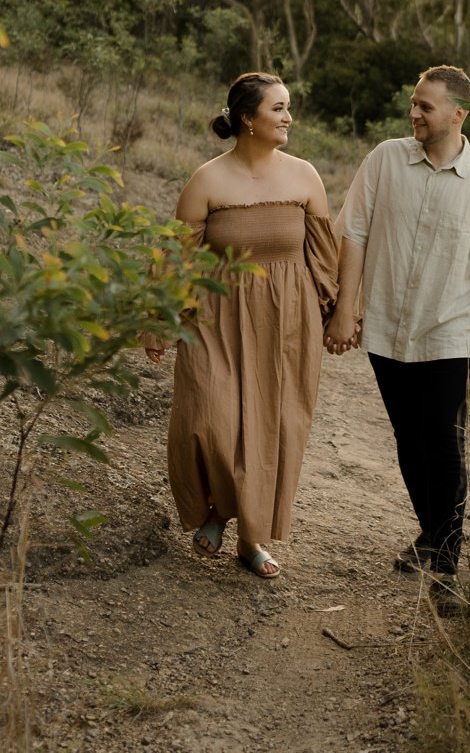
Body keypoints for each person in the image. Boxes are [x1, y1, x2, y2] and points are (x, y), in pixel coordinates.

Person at [324, 65, 470, 578]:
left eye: (425, 106)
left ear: (458, 115)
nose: (414, 112)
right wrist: (345, 309)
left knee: (444, 439)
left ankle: (446, 559)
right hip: (388, 326)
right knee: (408, 441)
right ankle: (435, 535)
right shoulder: (385, 159)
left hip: (449, 332)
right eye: (413, 103)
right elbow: (354, 234)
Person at [144, 72, 340, 580]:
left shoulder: (304, 178)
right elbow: (175, 259)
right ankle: (217, 508)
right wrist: (158, 321)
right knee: (209, 418)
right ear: (247, 119)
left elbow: (323, 258)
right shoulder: (207, 180)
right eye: (278, 108)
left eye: (288, 107)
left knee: (274, 429)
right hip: (216, 316)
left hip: (286, 322)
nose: (288, 117)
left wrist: (336, 315)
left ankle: (251, 541)